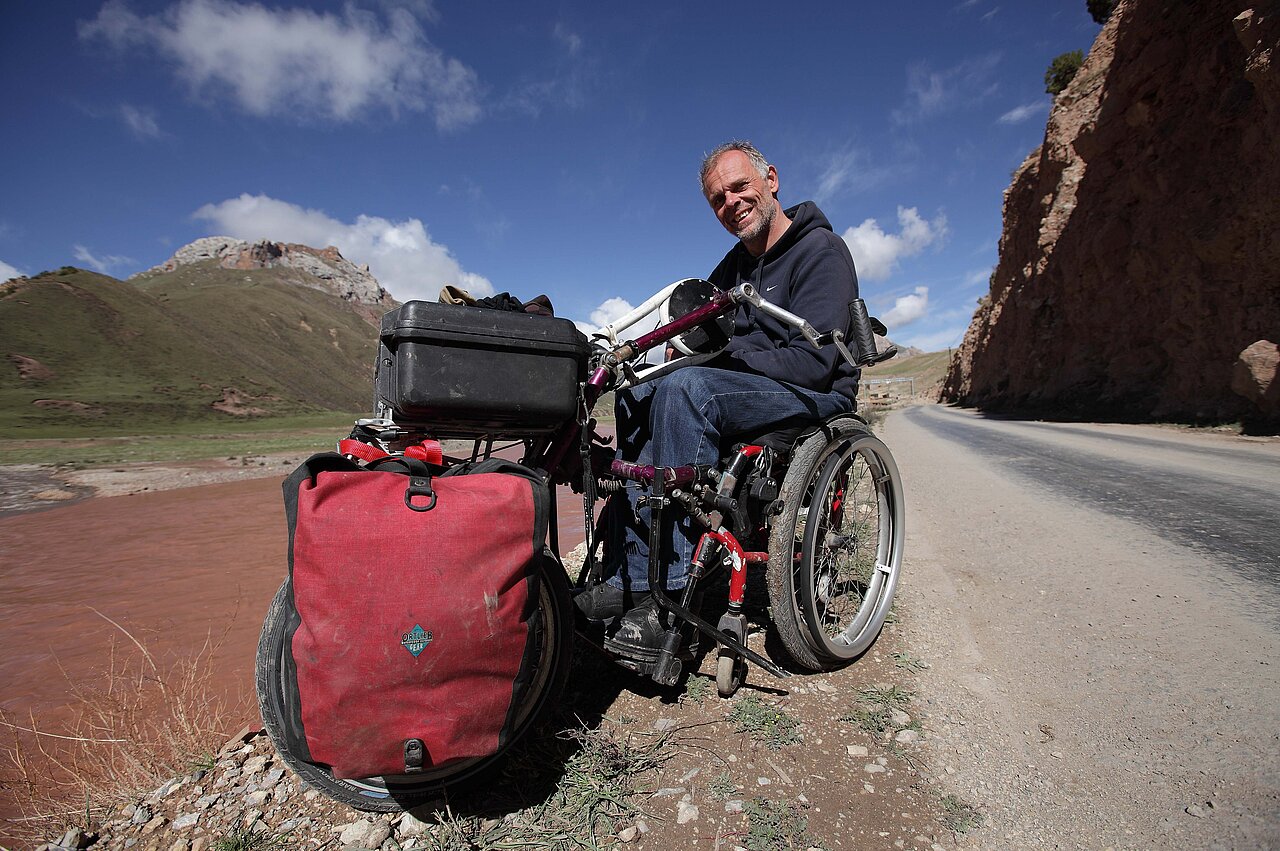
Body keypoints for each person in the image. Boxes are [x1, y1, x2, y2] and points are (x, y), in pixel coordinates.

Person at [575, 140, 861, 650]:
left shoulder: (822, 251)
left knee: (690, 388)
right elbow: (699, 333)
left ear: (770, 180)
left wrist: (717, 364)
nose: (731, 203)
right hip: (748, 386)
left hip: (815, 393)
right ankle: (633, 577)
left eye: (739, 187)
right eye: (717, 199)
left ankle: (678, 599)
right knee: (637, 393)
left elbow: (816, 362)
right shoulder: (731, 267)